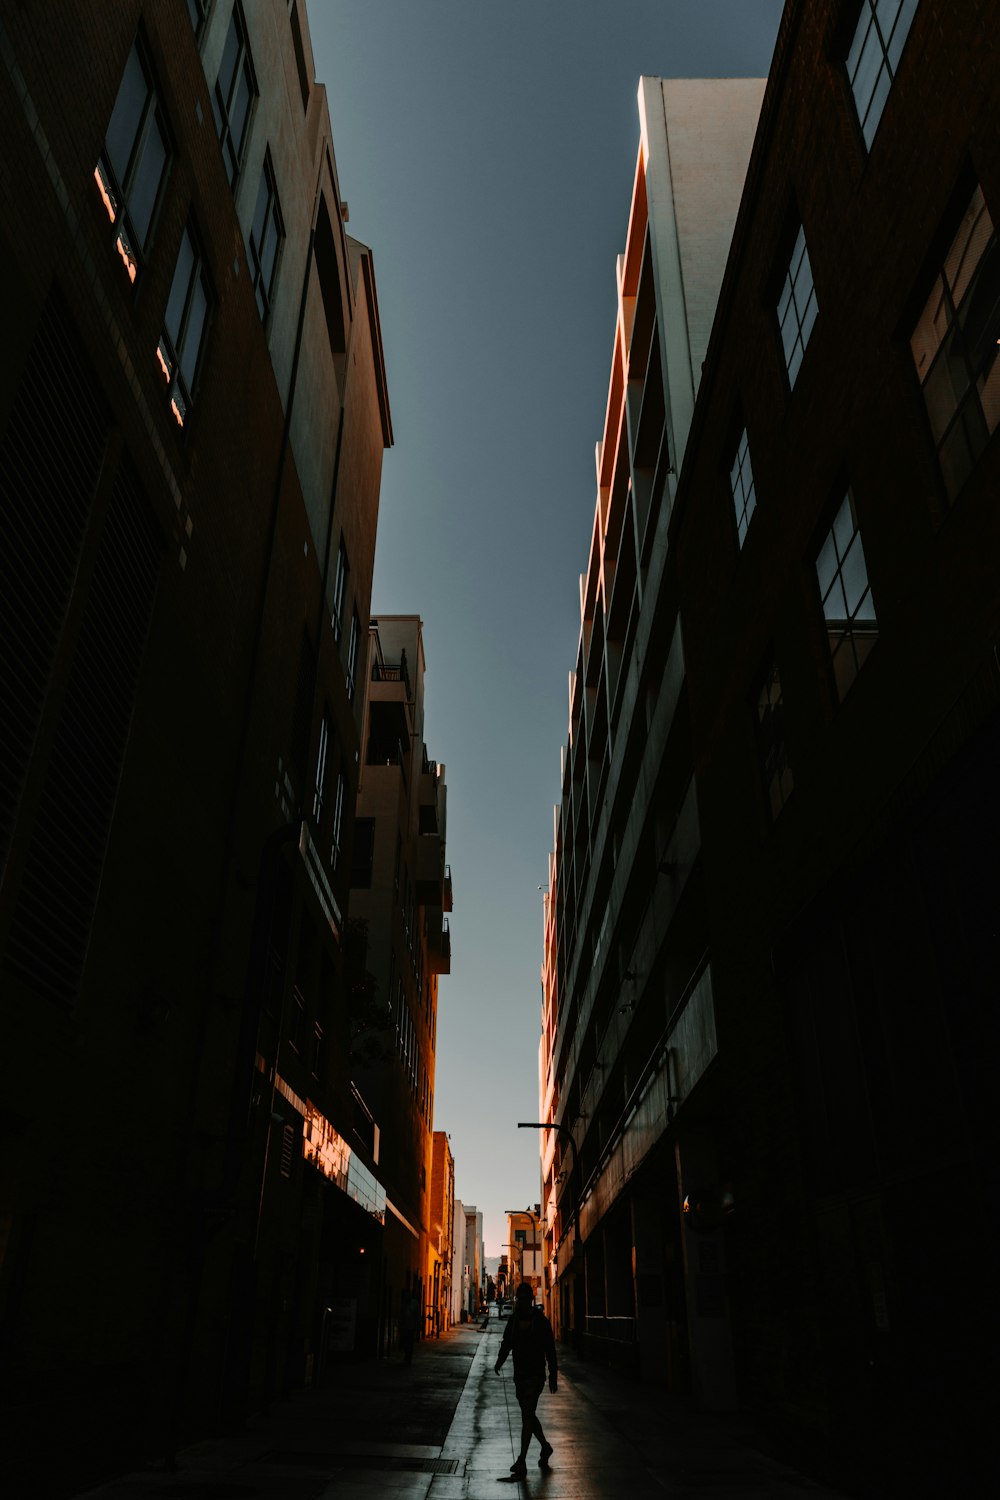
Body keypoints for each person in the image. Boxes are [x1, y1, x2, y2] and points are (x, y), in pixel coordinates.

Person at [494, 1282, 557, 1477]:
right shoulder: (513, 1321)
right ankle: (545, 1447)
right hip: (519, 1376)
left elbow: (550, 1350)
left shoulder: (541, 1322)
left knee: (527, 1414)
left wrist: (553, 1375)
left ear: (530, 1299)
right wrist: (499, 1361)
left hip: (535, 1376)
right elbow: (507, 1344)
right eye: (519, 1299)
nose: (521, 1302)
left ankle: (522, 1460)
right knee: (528, 1415)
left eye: (524, 1299)